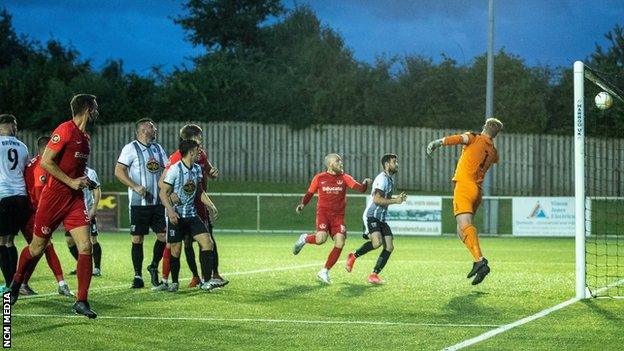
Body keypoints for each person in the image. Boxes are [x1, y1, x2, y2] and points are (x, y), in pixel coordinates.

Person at [9, 94, 99, 318]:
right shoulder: (65, 130)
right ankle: (16, 283)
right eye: (95, 106)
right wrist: (70, 181)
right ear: (88, 108)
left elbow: (75, 171)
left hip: (74, 200)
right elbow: (46, 161)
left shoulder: (85, 137)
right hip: (53, 199)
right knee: (37, 248)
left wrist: (84, 180)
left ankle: (81, 301)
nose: (98, 110)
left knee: (85, 247)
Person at [426, 118, 503, 285]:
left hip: (464, 186)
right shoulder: (493, 151)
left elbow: (459, 138)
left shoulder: (474, 137)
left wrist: (438, 142)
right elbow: (496, 159)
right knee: (461, 231)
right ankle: (478, 261)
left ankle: (480, 261)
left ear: (484, 127)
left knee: (464, 225)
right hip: (477, 191)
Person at [156, 124, 224, 291]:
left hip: (193, 212)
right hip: (177, 214)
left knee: (207, 242)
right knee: (177, 248)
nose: (201, 143)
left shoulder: (197, 165)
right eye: (198, 138)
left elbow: (199, 189)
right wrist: (171, 205)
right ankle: (173, 281)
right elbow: (162, 189)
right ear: (190, 144)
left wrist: (211, 205)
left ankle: (207, 280)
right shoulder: (174, 164)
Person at [292, 153, 371, 284]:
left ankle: (324, 271)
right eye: (337, 161)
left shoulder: (345, 178)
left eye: (341, 161)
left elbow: (361, 189)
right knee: (320, 239)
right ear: (330, 164)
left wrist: (365, 183)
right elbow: (310, 193)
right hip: (323, 214)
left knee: (340, 242)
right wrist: (302, 204)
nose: (341, 163)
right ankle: (304, 238)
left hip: (338, 217)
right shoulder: (319, 178)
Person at [114, 118, 167, 289]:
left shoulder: (158, 148)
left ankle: (153, 266)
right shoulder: (130, 148)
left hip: (158, 202)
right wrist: (135, 186)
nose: (155, 129)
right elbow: (119, 171)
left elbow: (167, 170)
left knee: (164, 237)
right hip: (138, 204)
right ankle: (137, 276)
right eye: (152, 127)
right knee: (137, 239)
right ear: (144, 130)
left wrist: (167, 190)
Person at [20, 136, 72, 297]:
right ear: (48, 147)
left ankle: (22, 283)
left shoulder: (35, 162)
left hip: (29, 212)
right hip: (33, 213)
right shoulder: (42, 165)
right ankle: (61, 284)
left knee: (38, 249)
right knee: (45, 246)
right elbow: (37, 193)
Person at [345, 153, 407, 284]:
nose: (397, 164)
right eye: (394, 162)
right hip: (372, 215)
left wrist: (397, 199)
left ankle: (374, 274)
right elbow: (377, 199)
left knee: (389, 246)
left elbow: (384, 199)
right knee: (377, 243)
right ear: (387, 164)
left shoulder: (389, 179)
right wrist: (396, 201)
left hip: (381, 218)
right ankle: (353, 255)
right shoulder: (382, 178)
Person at [0, 114, 30, 293]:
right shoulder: (23, 146)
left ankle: (10, 284)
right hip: (21, 196)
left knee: (2, 242)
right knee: (10, 241)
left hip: (4, 195)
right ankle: (16, 283)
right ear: (9, 125)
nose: (16, 127)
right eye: (15, 124)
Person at [66, 166, 102, 277]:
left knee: (92, 239)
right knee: (70, 241)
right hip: (72, 213)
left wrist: (94, 208)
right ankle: (83, 265)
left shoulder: (90, 172)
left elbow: (97, 190)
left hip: (87, 210)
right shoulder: (68, 171)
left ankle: (96, 268)